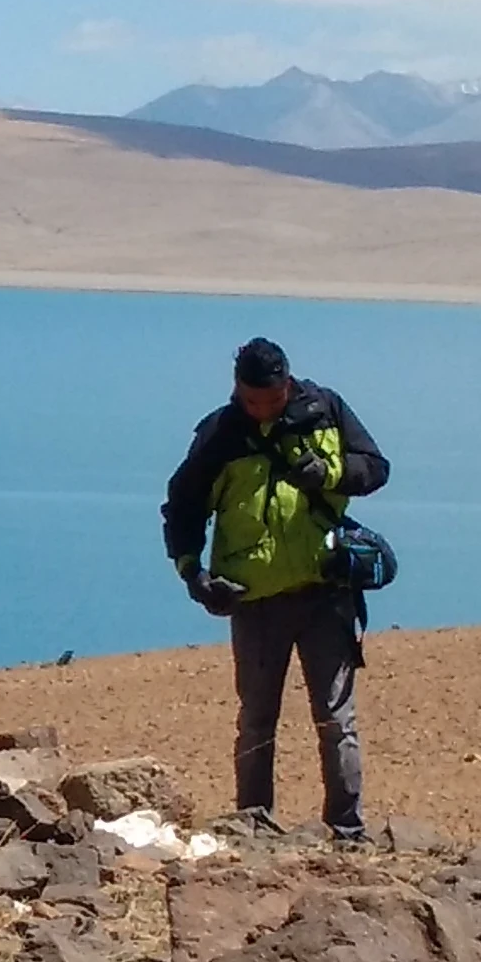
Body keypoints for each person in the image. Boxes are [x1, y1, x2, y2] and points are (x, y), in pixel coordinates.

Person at [160, 336, 393, 846]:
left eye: (272, 399)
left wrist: (329, 472)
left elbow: (375, 468)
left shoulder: (326, 410)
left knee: (336, 720)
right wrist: (192, 574)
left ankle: (348, 832)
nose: (262, 410)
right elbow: (182, 506)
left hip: (325, 593)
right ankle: (252, 828)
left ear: (288, 383)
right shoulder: (220, 435)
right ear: (237, 391)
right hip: (255, 601)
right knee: (257, 720)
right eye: (251, 401)